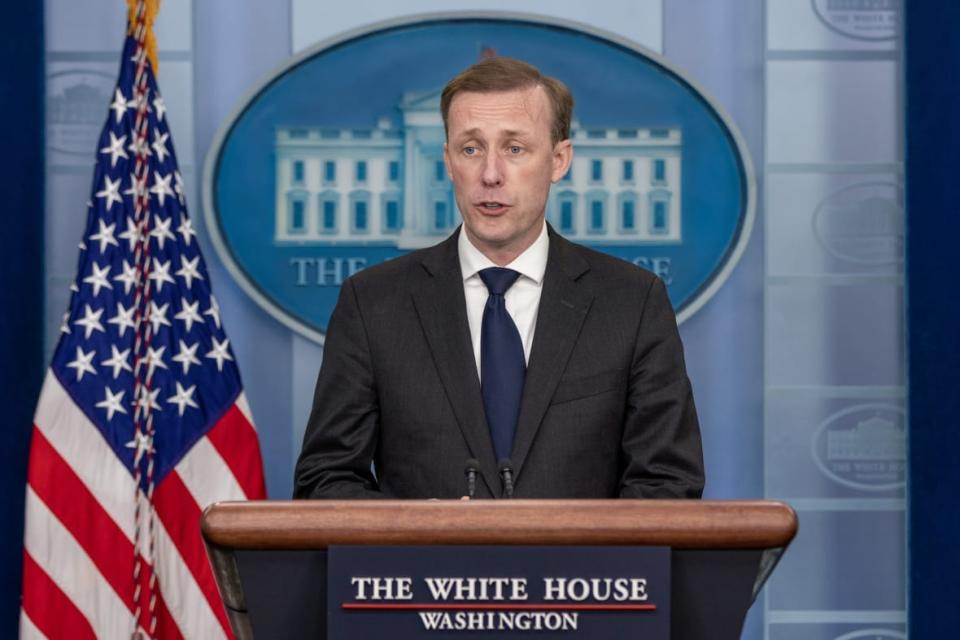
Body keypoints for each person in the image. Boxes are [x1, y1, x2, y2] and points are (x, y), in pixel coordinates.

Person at [293, 57, 704, 499]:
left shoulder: (632, 303)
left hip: (582, 570)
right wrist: (415, 531)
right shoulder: (372, 303)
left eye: (514, 149)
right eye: (471, 149)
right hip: (424, 568)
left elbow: (668, 484)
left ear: (559, 160)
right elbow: (325, 481)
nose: (490, 175)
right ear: (449, 161)